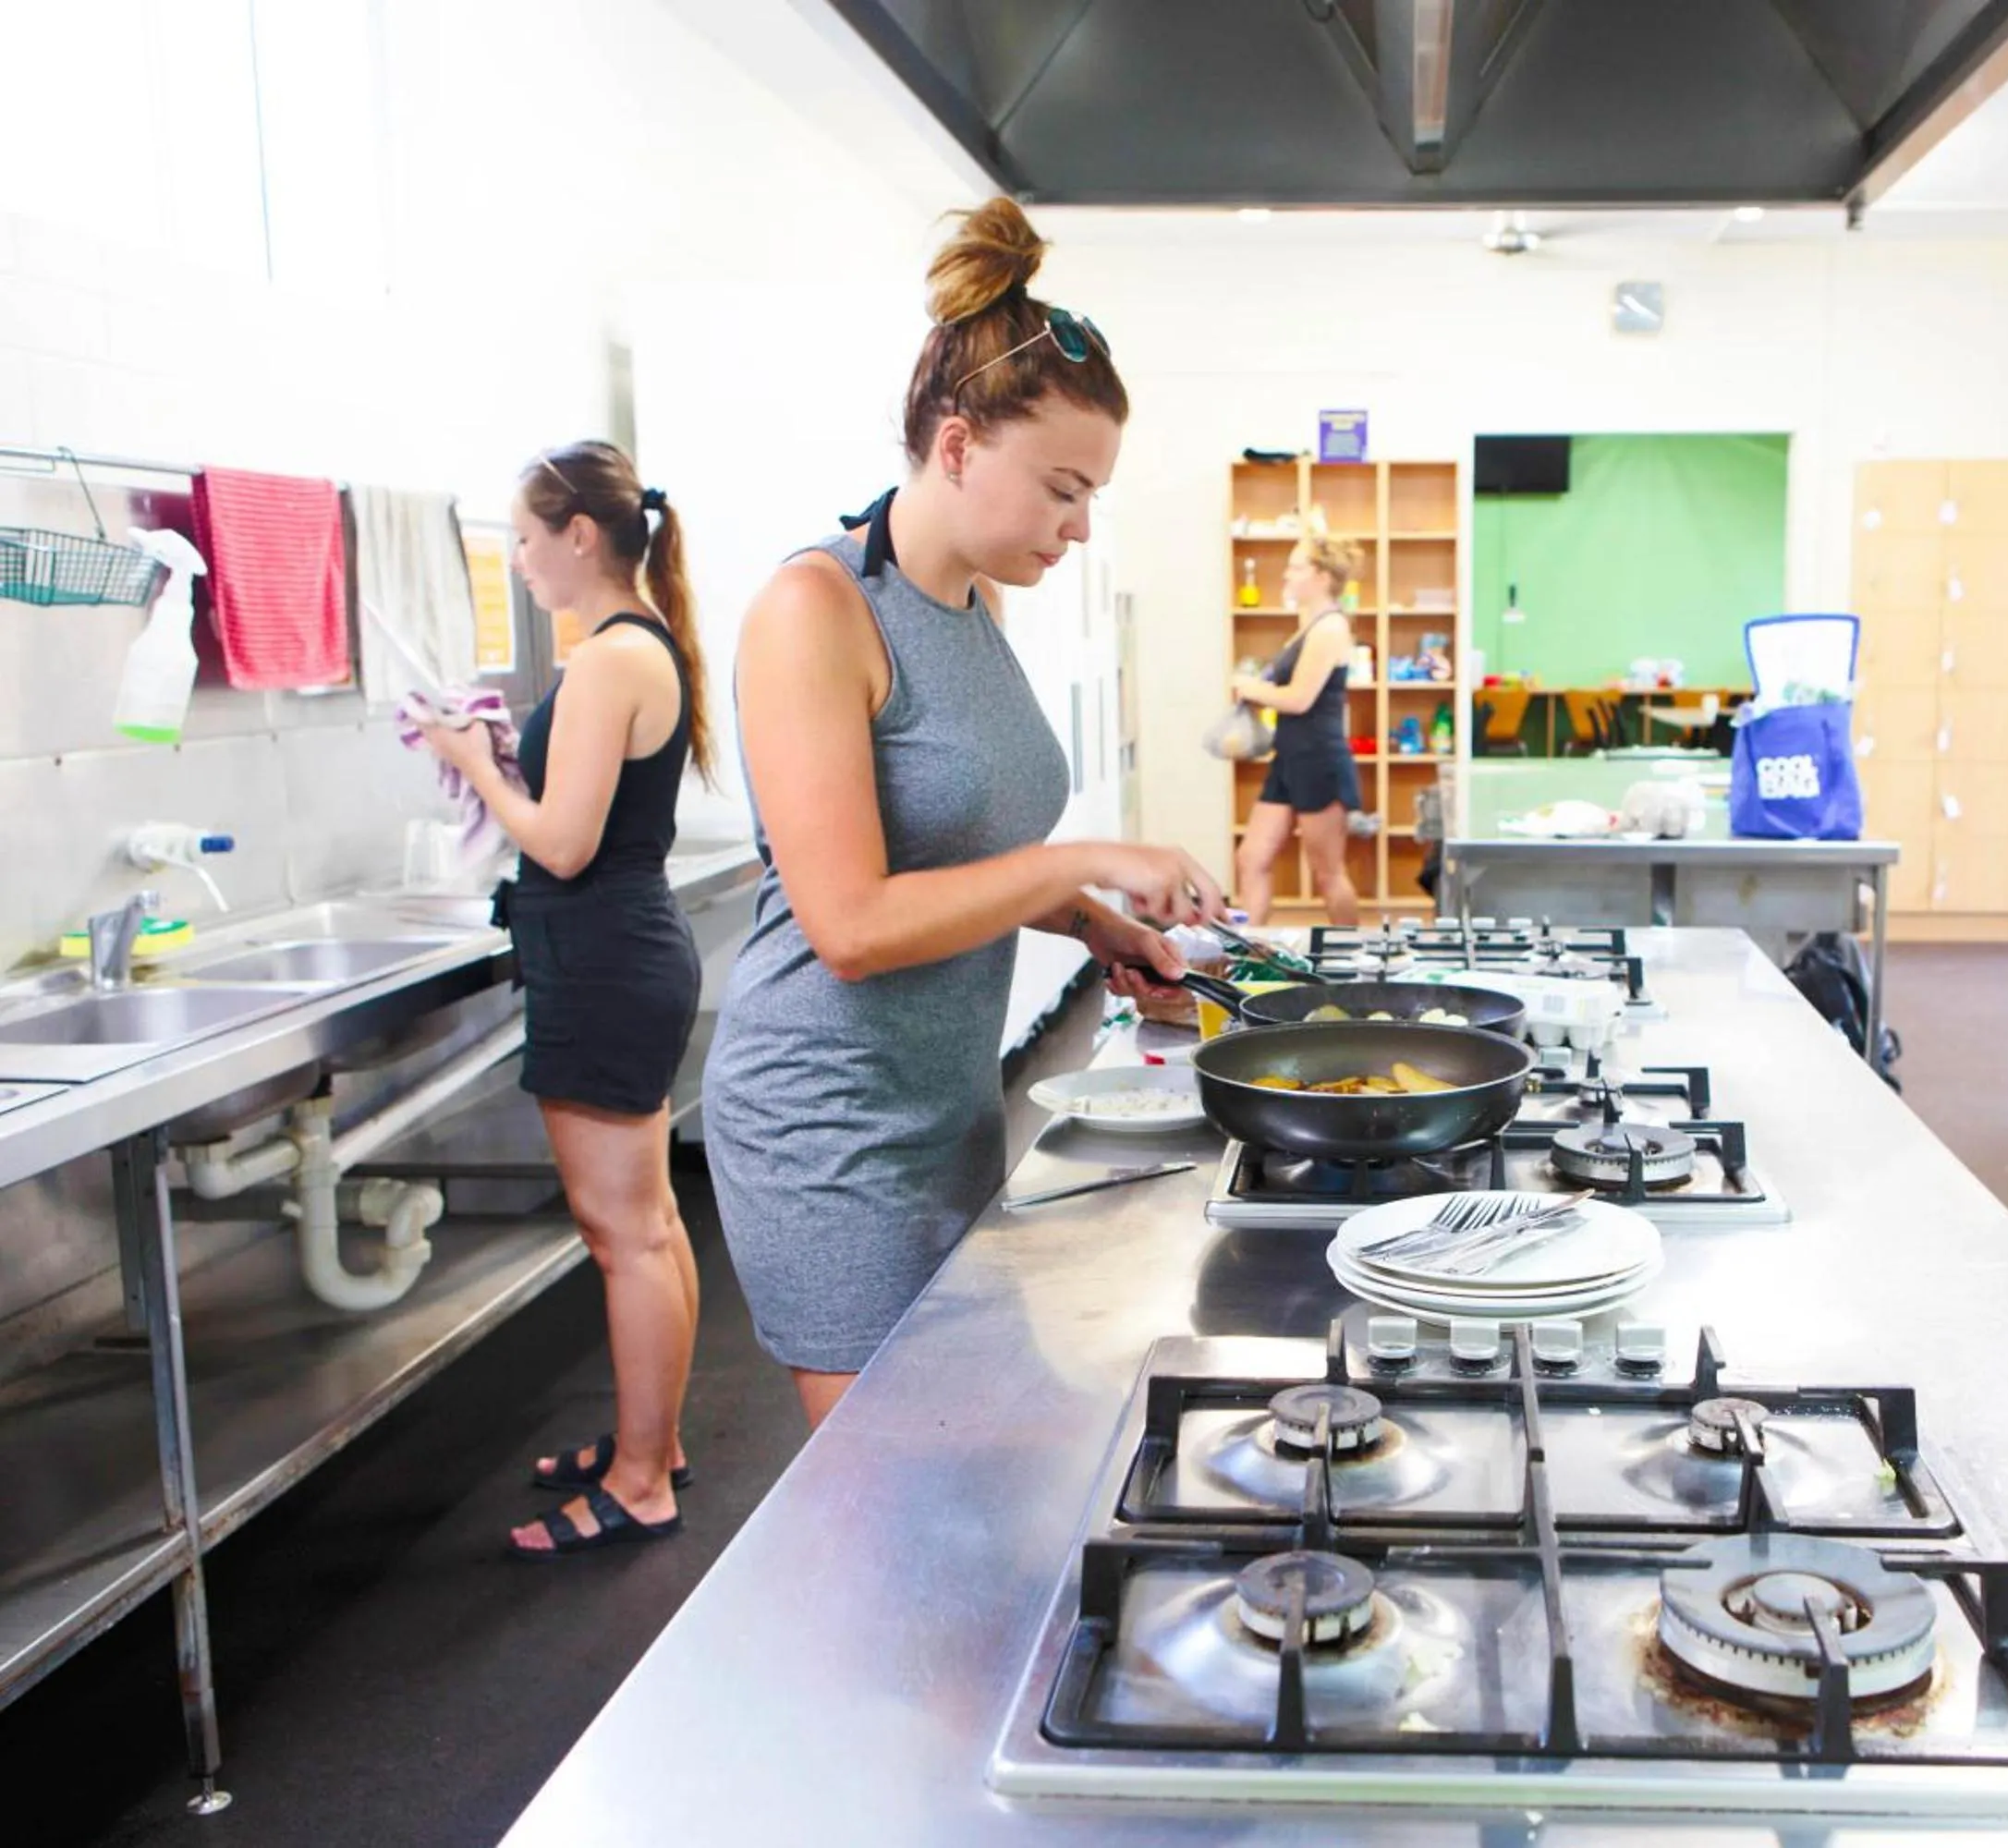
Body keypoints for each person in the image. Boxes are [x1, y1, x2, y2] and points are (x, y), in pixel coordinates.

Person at [703, 198, 1222, 1431]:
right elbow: (850, 923)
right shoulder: (815, 611)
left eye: (1089, 493)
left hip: (944, 1108)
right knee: (887, 1498)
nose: (1079, 525)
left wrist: (1101, 926)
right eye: (1060, 487)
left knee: (958, 1466)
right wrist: (1092, 852)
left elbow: (973, 856)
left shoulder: (975, 613)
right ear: (952, 447)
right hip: (826, 1127)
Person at [417, 441, 708, 1557]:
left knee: (622, 1232)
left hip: (601, 955)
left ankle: (640, 1480)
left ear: (578, 534)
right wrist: (506, 756)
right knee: (647, 1224)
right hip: (616, 952)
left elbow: (564, 839)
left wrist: (477, 764)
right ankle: (655, 1440)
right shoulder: (636, 649)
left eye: (527, 541)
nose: (522, 563)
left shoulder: (608, 660)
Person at [1232, 533, 1365, 924]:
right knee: (1251, 858)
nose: (1286, 573)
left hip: (1318, 760)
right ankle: (1249, 950)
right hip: (1290, 757)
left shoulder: (1330, 627)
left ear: (1322, 576)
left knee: (1327, 873)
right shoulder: (1308, 626)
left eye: (1296, 566)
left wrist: (1254, 689)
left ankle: (1354, 963)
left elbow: (1300, 699)